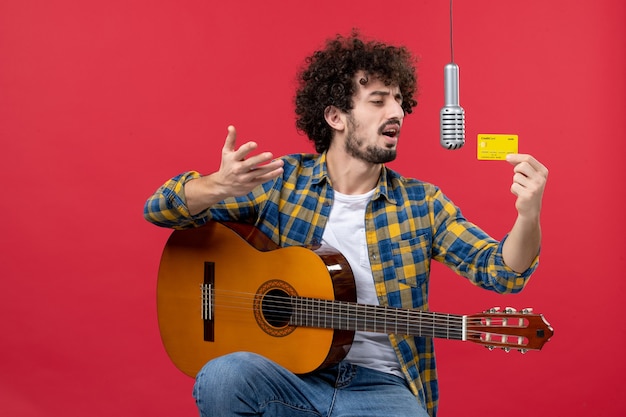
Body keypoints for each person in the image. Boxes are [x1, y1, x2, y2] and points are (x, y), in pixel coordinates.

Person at [144, 31, 548, 417]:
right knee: (223, 375)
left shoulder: (422, 203)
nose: (397, 112)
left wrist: (528, 216)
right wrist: (216, 186)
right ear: (336, 116)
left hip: (381, 388)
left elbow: (503, 273)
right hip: (288, 377)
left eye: (400, 101)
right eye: (378, 101)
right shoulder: (281, 182)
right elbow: (160, 209)